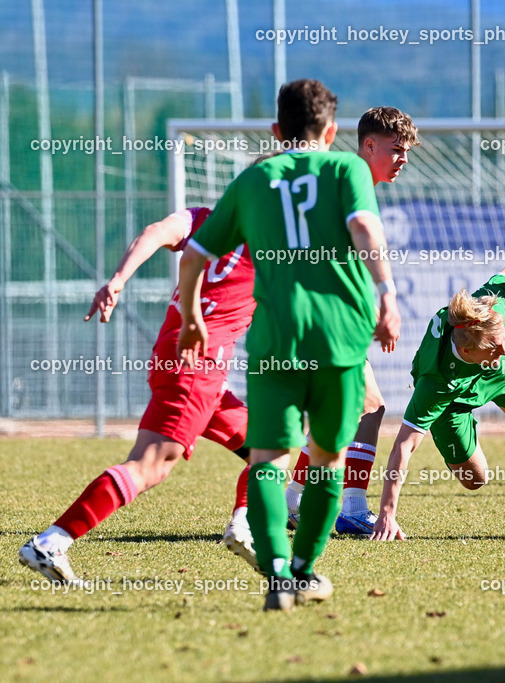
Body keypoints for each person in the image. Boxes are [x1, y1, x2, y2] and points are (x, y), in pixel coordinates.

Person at [177, 78, 400, 611]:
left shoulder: (255, 178)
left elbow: (192, 257)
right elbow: (366, 227)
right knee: (326, 460)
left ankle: (276, 572)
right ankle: (303, 568)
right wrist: (386, 295)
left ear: (277, 130)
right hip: (338, 341)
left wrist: (190, 317)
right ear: (332, 131)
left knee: (268, 462)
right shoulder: (346, 168)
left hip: (275, 341)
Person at [18, 206, 258, 583]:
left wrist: (117, 280)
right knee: (151, 464)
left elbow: (155, 230)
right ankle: (53, 540)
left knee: (266, 449)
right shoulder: (273, 247)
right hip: (198, 364)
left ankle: (245, 527)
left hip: (173, 354)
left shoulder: (203, 218)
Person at [368, 263, 505, 541]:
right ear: (466, 350)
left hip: (491, 370)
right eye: (496, 346)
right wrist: (387, 514)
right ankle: (453, 437)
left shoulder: (490, 313)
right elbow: (403, 446)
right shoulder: (435, 383)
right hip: (450, 400)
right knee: (475, 480)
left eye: (504, 342)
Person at [284, 107, 419, 536]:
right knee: (370, 408)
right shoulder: (350, 181)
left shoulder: (343, 183)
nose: (403, 159)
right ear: (368, 145)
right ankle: (353, 507)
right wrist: (386, 299)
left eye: (407, 152)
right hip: (323, 317)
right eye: (396, 149)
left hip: (321, 316)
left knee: (344, 415)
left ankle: (295, 498)